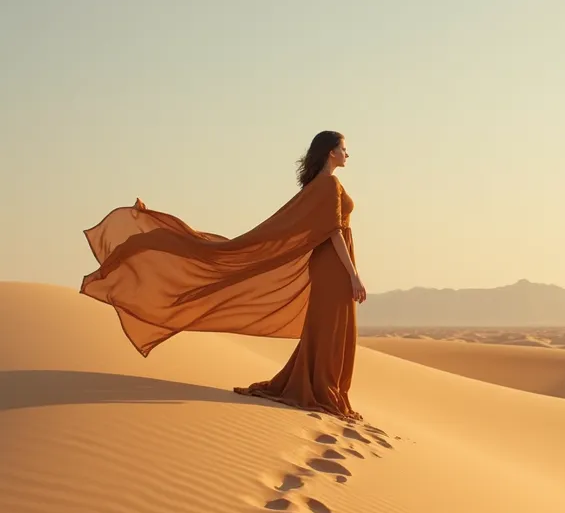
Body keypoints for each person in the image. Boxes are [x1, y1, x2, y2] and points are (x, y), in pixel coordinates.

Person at [80, 130, 366, 420]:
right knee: (332, 325)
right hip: (334, 264)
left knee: (330, 325)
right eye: (344, 148)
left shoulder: (319, 185)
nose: (347, 154)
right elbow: (332, 231)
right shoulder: (329, 185)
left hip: (328, 263)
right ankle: (322, 388)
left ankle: (321, 386)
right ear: (331, 152)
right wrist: (353, 274)